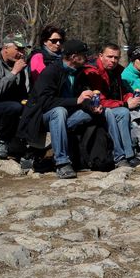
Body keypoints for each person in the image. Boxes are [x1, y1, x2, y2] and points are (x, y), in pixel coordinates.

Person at [17, 40, 96, 179]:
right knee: (60, 111)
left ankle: (50, 146)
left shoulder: (79, 72)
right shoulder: (51, 71)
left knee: (89, 114)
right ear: (73, 57)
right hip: (40, 117)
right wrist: (76, 100)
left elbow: (82, 97)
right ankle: (62, 163)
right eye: (84, 55)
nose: (87, 58)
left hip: (64, 116)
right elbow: (44, 102)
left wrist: (90, 103)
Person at [83, 43, 140, 168]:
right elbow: (99, 100)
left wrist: (132, 98)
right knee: (123, 112)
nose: (113, 60)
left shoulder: (117, 70)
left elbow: (123, 92)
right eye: (109, 57)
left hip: (113, 106)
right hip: (94, 109)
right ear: (100, 56)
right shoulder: (92, 71)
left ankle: (130, 155)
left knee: (133, 110)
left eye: (116, 57)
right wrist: (125, 104)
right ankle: (122, 156)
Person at [0, 33, 30, 159]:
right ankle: (1, 142)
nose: (22, 53)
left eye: (23, 49)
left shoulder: (17, 64)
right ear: (5, 48)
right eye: (19, 49)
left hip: (9, 108)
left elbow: (21, 93)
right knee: (13, 107)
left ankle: (32, 149)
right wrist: (14, 72)